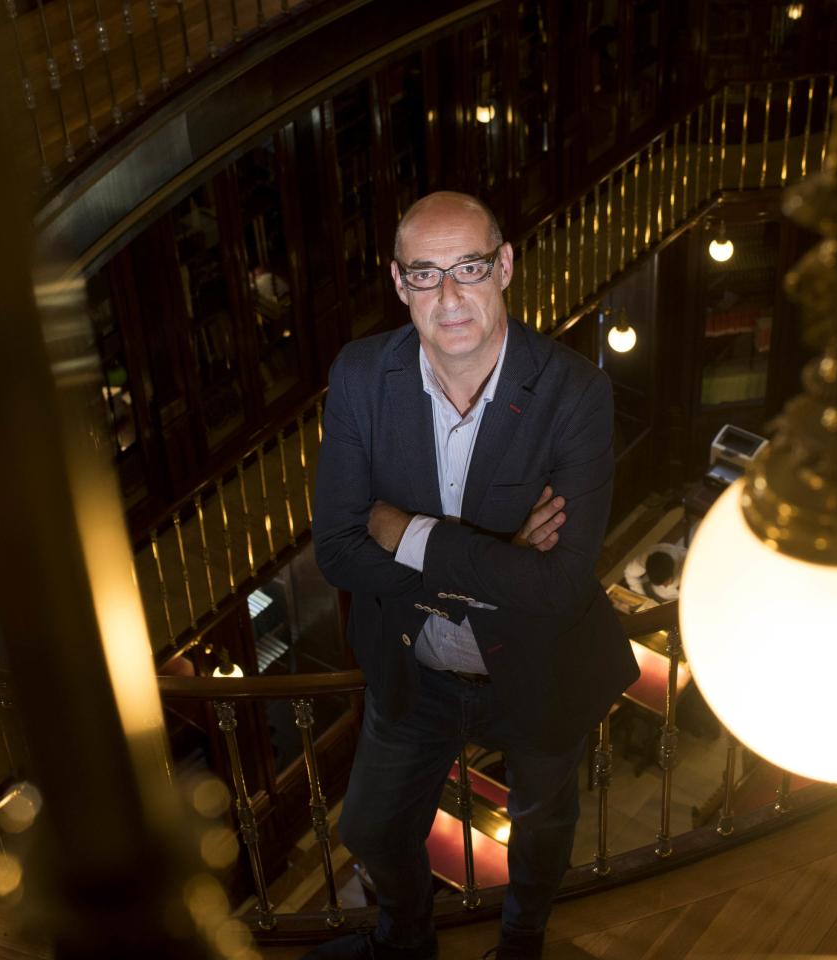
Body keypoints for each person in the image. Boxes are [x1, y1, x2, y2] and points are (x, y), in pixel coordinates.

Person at [309, 191, 639, 959]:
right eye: (426, 275)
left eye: (469, 268)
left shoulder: (573, 393)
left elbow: (557, 589)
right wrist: (502, 557)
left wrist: (408, 532)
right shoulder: (362, 375)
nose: (450, 296)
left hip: (537, 669)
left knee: (542, 829)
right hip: (414, 666)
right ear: (399, 284)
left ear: (505, 267)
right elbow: (337, 550)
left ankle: (522, 941)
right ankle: (408, 934)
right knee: (368, 828)